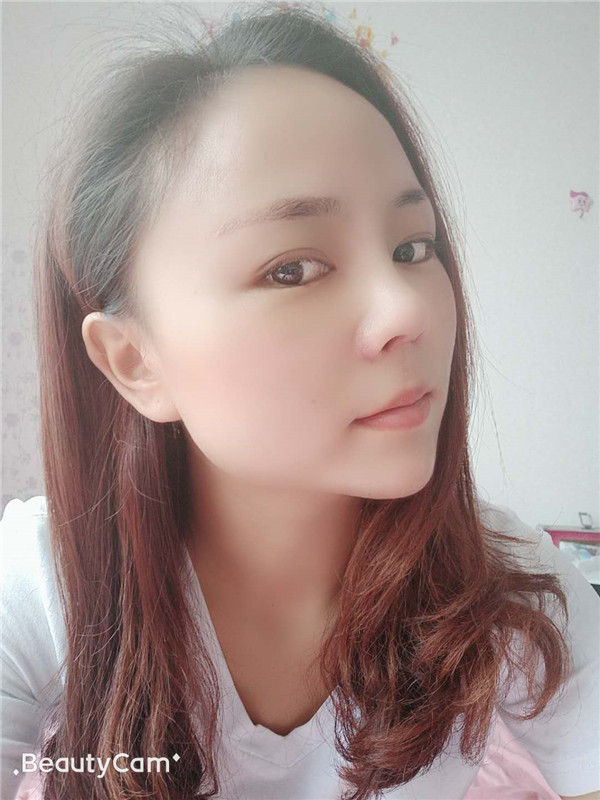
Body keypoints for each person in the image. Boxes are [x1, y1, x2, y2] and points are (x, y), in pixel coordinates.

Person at [1, 3, 599, 799]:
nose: (409, 310)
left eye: (413, 247)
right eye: (292, 269)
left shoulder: (510, 586)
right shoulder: (47, 586)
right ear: (137, 362)